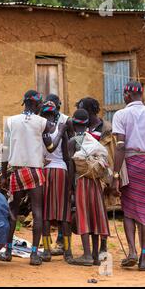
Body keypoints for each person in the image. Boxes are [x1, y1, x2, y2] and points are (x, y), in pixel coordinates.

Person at [112, 81, 145, 271]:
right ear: (141, 95)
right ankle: (143, 258)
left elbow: (120, 147)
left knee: (129, 210)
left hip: (129, 165)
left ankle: (132, 251)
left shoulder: (120, 115)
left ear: (127, 95)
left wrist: (115, 175)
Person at [0, 90, 54, 266]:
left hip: (17, 170)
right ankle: (34, 254)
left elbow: (5, 149)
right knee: (37, 211)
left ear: (24, 103)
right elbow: (52, 133)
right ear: (37, 104)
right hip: (35, 170)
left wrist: (4, 173)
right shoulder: (42, 122)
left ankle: (7, 251)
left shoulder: (11, 121)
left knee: (13, 211)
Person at [68, 109, 110, 266]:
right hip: (95, 182)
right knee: (95, 215)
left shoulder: (72, 141)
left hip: (81, 182)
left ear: (74, 123)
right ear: (86, 124)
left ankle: (86, 255)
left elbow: (71, 166)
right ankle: (94, 254)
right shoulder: (94, 140)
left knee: (84, 215)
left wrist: (71, 186)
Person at [76, 97, 118, 255]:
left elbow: (112, 154)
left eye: (83, 108)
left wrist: (113, 179)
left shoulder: (106, 128)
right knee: (89, 211)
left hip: (101, 175)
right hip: (85, 175)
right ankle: (94, 250)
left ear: (91, 110)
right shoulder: (81, 127)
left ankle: (103, 245)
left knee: (102, 211)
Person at [40, 101, 73, 262]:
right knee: (64, 213)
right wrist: (71, 180)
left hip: (46, 171)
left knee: (46, 213)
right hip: (61, 171)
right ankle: (68, 251)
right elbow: (67, 156)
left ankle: (46, 250)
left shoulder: (41, 130)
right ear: (55, 114)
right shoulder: (61, 130)